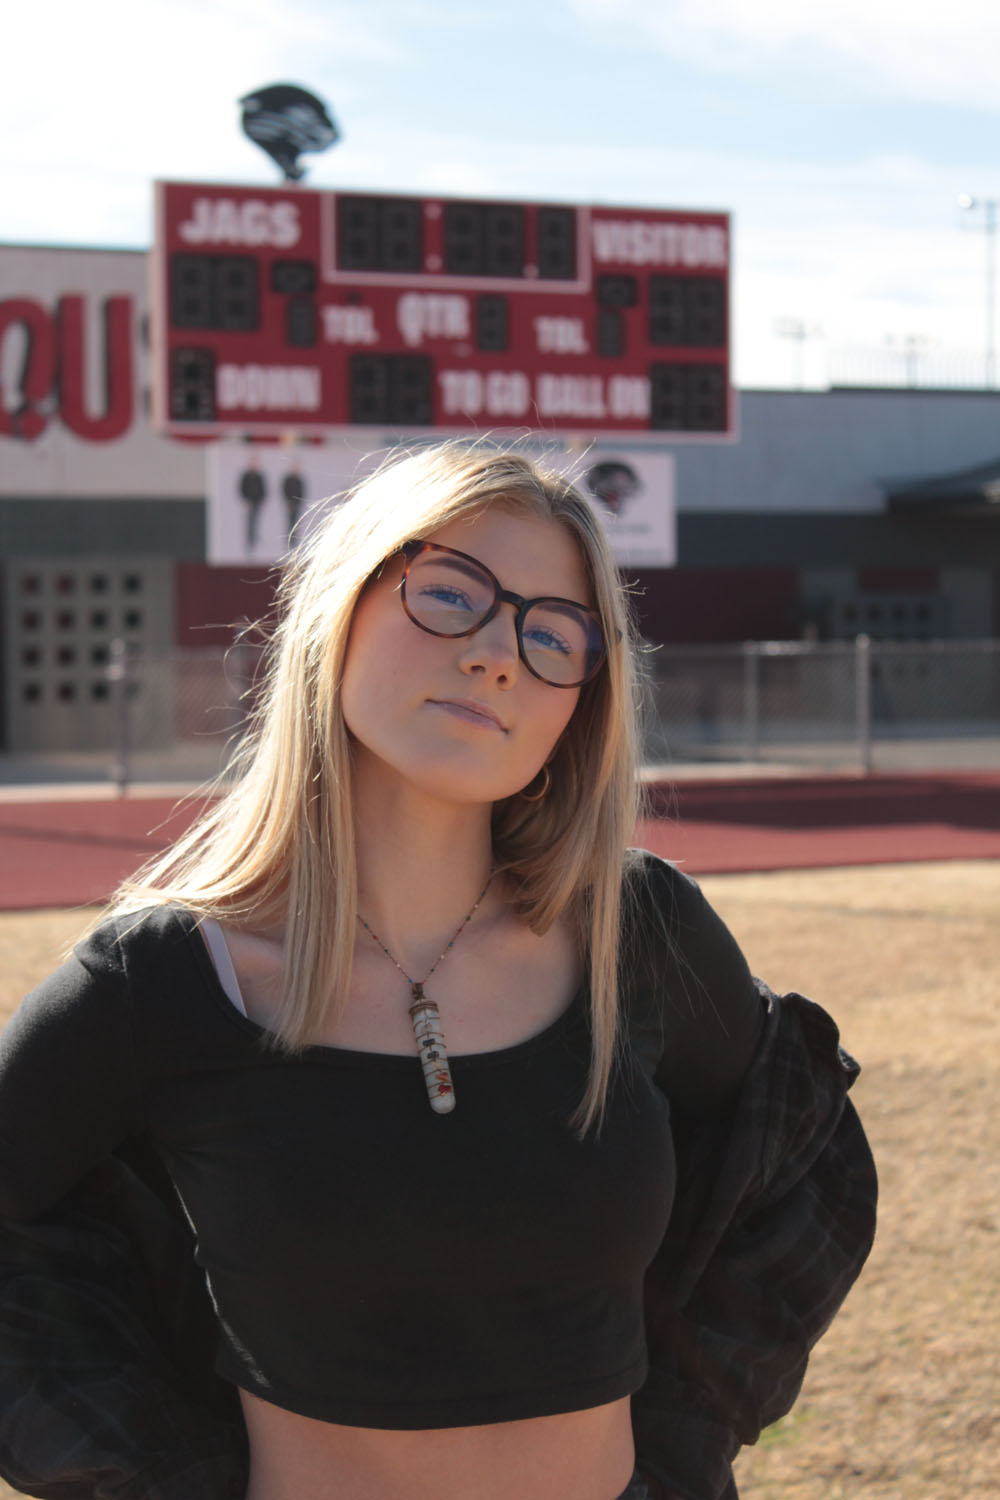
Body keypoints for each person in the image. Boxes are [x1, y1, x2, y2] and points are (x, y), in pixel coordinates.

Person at [0, 442, 877, 1500]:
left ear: (578, 707)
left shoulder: (633, 933)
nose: (498, 654)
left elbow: (798, 1144)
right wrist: (146, 1464)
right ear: (342, 606)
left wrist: (685, 1432)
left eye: (553, 633)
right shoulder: (167, 980)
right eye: (451, 593)